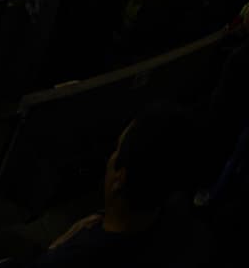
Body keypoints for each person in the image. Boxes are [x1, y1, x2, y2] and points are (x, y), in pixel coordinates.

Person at [33, 105, 194, 266]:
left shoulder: (70, 257)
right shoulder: (182, 226)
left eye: (116, 149)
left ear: (119, 178)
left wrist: (56, 247)